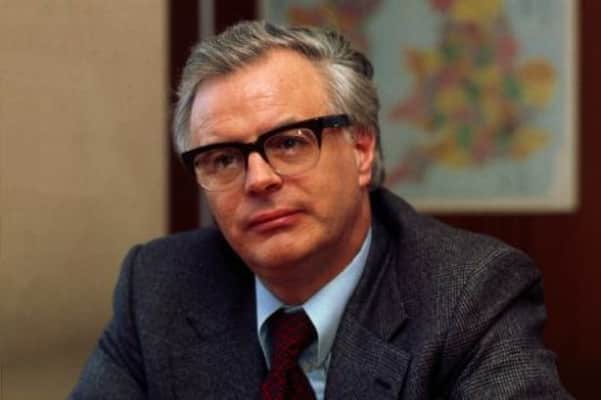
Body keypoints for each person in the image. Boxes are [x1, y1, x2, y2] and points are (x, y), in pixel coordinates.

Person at [70, 21, 571, 399]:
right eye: (223, 159)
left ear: (361, 150)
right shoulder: (159, 285)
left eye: (290, 142)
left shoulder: (467, 293)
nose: (259, 179)